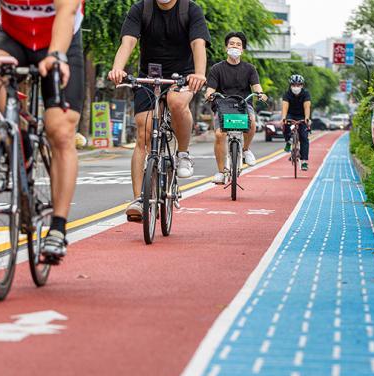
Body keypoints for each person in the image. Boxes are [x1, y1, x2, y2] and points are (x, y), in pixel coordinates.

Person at [0, 0, 85, 262]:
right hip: (13, 36)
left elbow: (66, 11)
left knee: (60, 130)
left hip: (60, 36)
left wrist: (56, 54)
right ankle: (14, 143)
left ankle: (57, 227)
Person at [108, 0, 211, 221]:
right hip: (149, 77)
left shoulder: (190, 10)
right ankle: (138, 200)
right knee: (143, 133)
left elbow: (198, 44)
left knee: (175, 102)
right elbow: (128, 42)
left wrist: (199, 74)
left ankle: (182, 154)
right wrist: (118, 68)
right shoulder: (140, 9)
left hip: (183, 76)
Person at [204, 31, 267, 184]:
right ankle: (220, 172)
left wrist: (260, 94)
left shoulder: (250, 69)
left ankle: (245, 150)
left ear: (242, 50)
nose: (235, 46)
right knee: (219, 135)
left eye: (238, 44)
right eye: (232, 43)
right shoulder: (217, 69)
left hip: (243, 104)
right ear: (226, 47)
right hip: (222, 105)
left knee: (252, 121)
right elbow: (210, 89)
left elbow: (257, 86)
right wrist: (209, 94)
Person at [281, 74, 312, 171]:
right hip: (290, 115)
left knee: (304, 137)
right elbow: (285, 106)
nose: (296, 87)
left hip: (302, 116)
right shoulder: (287, 94)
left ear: (302, 85)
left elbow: (307, 106)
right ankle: (288, 142)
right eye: (294, 85)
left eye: (298, 85)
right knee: (286, 126)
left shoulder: (306, 94)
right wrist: (284, 118)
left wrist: (307, 118)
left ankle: (304, 162)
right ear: (290, 85)